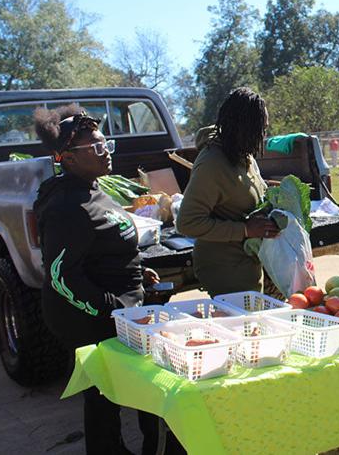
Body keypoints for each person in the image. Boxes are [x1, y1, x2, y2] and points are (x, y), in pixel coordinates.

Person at [33, 106, 179, 454]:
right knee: (105, 394)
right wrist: (110, 310)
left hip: (122, 310)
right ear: (67, 158)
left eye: (106, 144)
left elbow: (103, 247)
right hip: (93, 318)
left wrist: (137, 270)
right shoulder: (68, 205)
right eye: (95, 148)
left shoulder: (92, 189)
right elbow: (62, 276)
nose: (106, 153)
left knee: (108, 393)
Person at [176, 88, 280, 296]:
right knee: (242, 326)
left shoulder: (243, 155)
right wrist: (245, 230)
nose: (264, 136)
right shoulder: (212, 163)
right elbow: (187, 222)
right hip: (225, 269)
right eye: (261, 129)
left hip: (248, 262)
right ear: (244, 128)